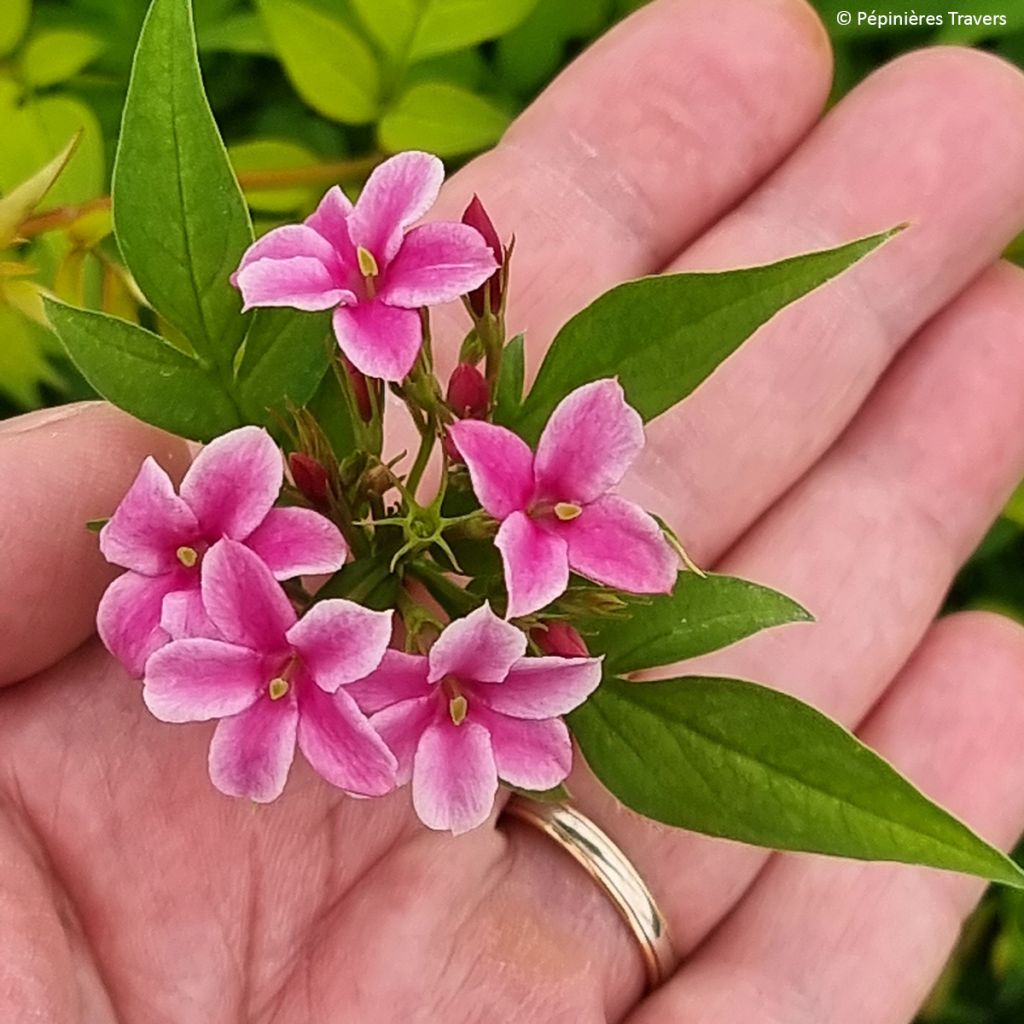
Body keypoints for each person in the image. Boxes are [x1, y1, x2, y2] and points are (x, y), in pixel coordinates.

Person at [4, 0, 1024, 1020]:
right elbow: (321, 587)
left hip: (447, 565)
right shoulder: (277, 573)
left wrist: (483, 552)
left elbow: (451, 587)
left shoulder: (455, 533)